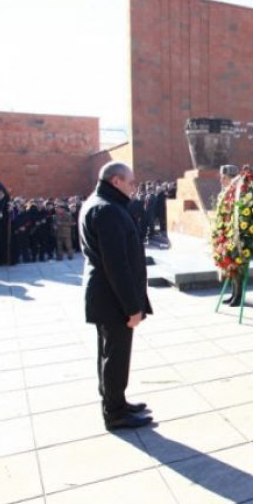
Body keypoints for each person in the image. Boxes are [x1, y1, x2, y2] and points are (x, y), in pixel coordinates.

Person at [80, 161, 154, 431]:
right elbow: (117, 265)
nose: (134, 187)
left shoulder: (100, 203)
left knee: (109, 353)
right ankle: (115, 413)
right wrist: (132, 307)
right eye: (131, 182)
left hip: (105, 295)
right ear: (116, 181)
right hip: (113, 299)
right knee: (116, 356)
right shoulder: (108, 209)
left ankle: (115, 401)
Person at [217, 165, 245, 307]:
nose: (221, 180)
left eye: (224, 177)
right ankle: (234, 293)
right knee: (229, 264)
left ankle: (238, 295)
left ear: (232, 179)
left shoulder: (238, 193)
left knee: (236, 264)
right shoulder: (224, 193)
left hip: (236, 236)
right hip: (226, 235)